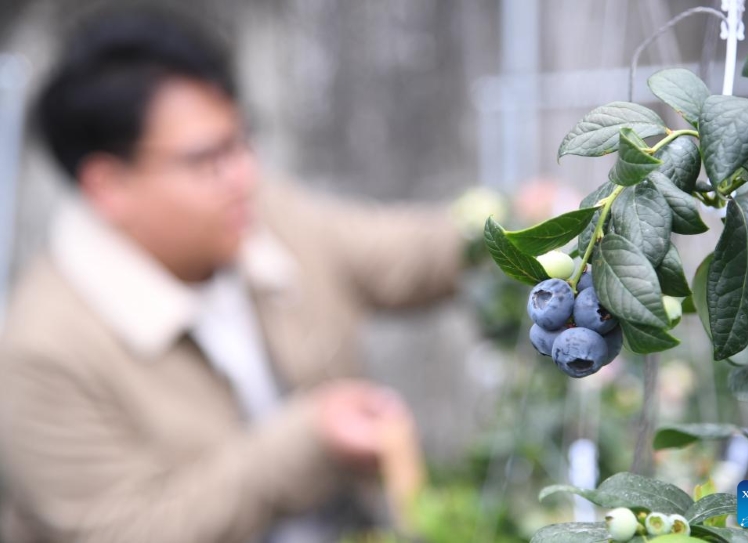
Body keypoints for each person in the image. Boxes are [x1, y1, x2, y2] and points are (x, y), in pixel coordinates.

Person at [0, 6, 478, 543]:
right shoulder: (41, 353)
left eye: (241, 140)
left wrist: (519, 231)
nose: (245, 175)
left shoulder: (258, 217)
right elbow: (122, 529)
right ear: (107, 185)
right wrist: (307, 443)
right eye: (208, 159)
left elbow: (402, 254)